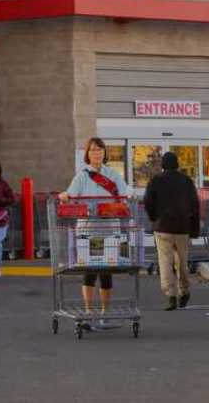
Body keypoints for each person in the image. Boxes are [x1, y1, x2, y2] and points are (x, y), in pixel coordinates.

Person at [60, 137, 130, 329]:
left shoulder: (113, 175)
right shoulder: (82, 176)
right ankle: (89, 311)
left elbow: (124, 194)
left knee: (106, 271)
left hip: (109, 229)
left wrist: (124, 199)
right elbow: (71, 194)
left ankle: (105, 312)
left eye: (99, 150)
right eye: (92, 150)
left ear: (104, 153)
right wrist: (65, 196)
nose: (96, 153)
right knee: (89, 271)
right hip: (88, 230)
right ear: (87, 154)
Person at [143, 152, 200, 310]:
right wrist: (194, 229)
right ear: (177, 164)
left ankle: (171, 295)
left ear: (163, 165)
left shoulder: (156, 180)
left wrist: (154, 217)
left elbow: (147, 201)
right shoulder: (186, 181)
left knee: (165, 262)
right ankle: (184, 290)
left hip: (162, 228)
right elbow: (195, 205)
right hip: (183, 228)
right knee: (182, 262)